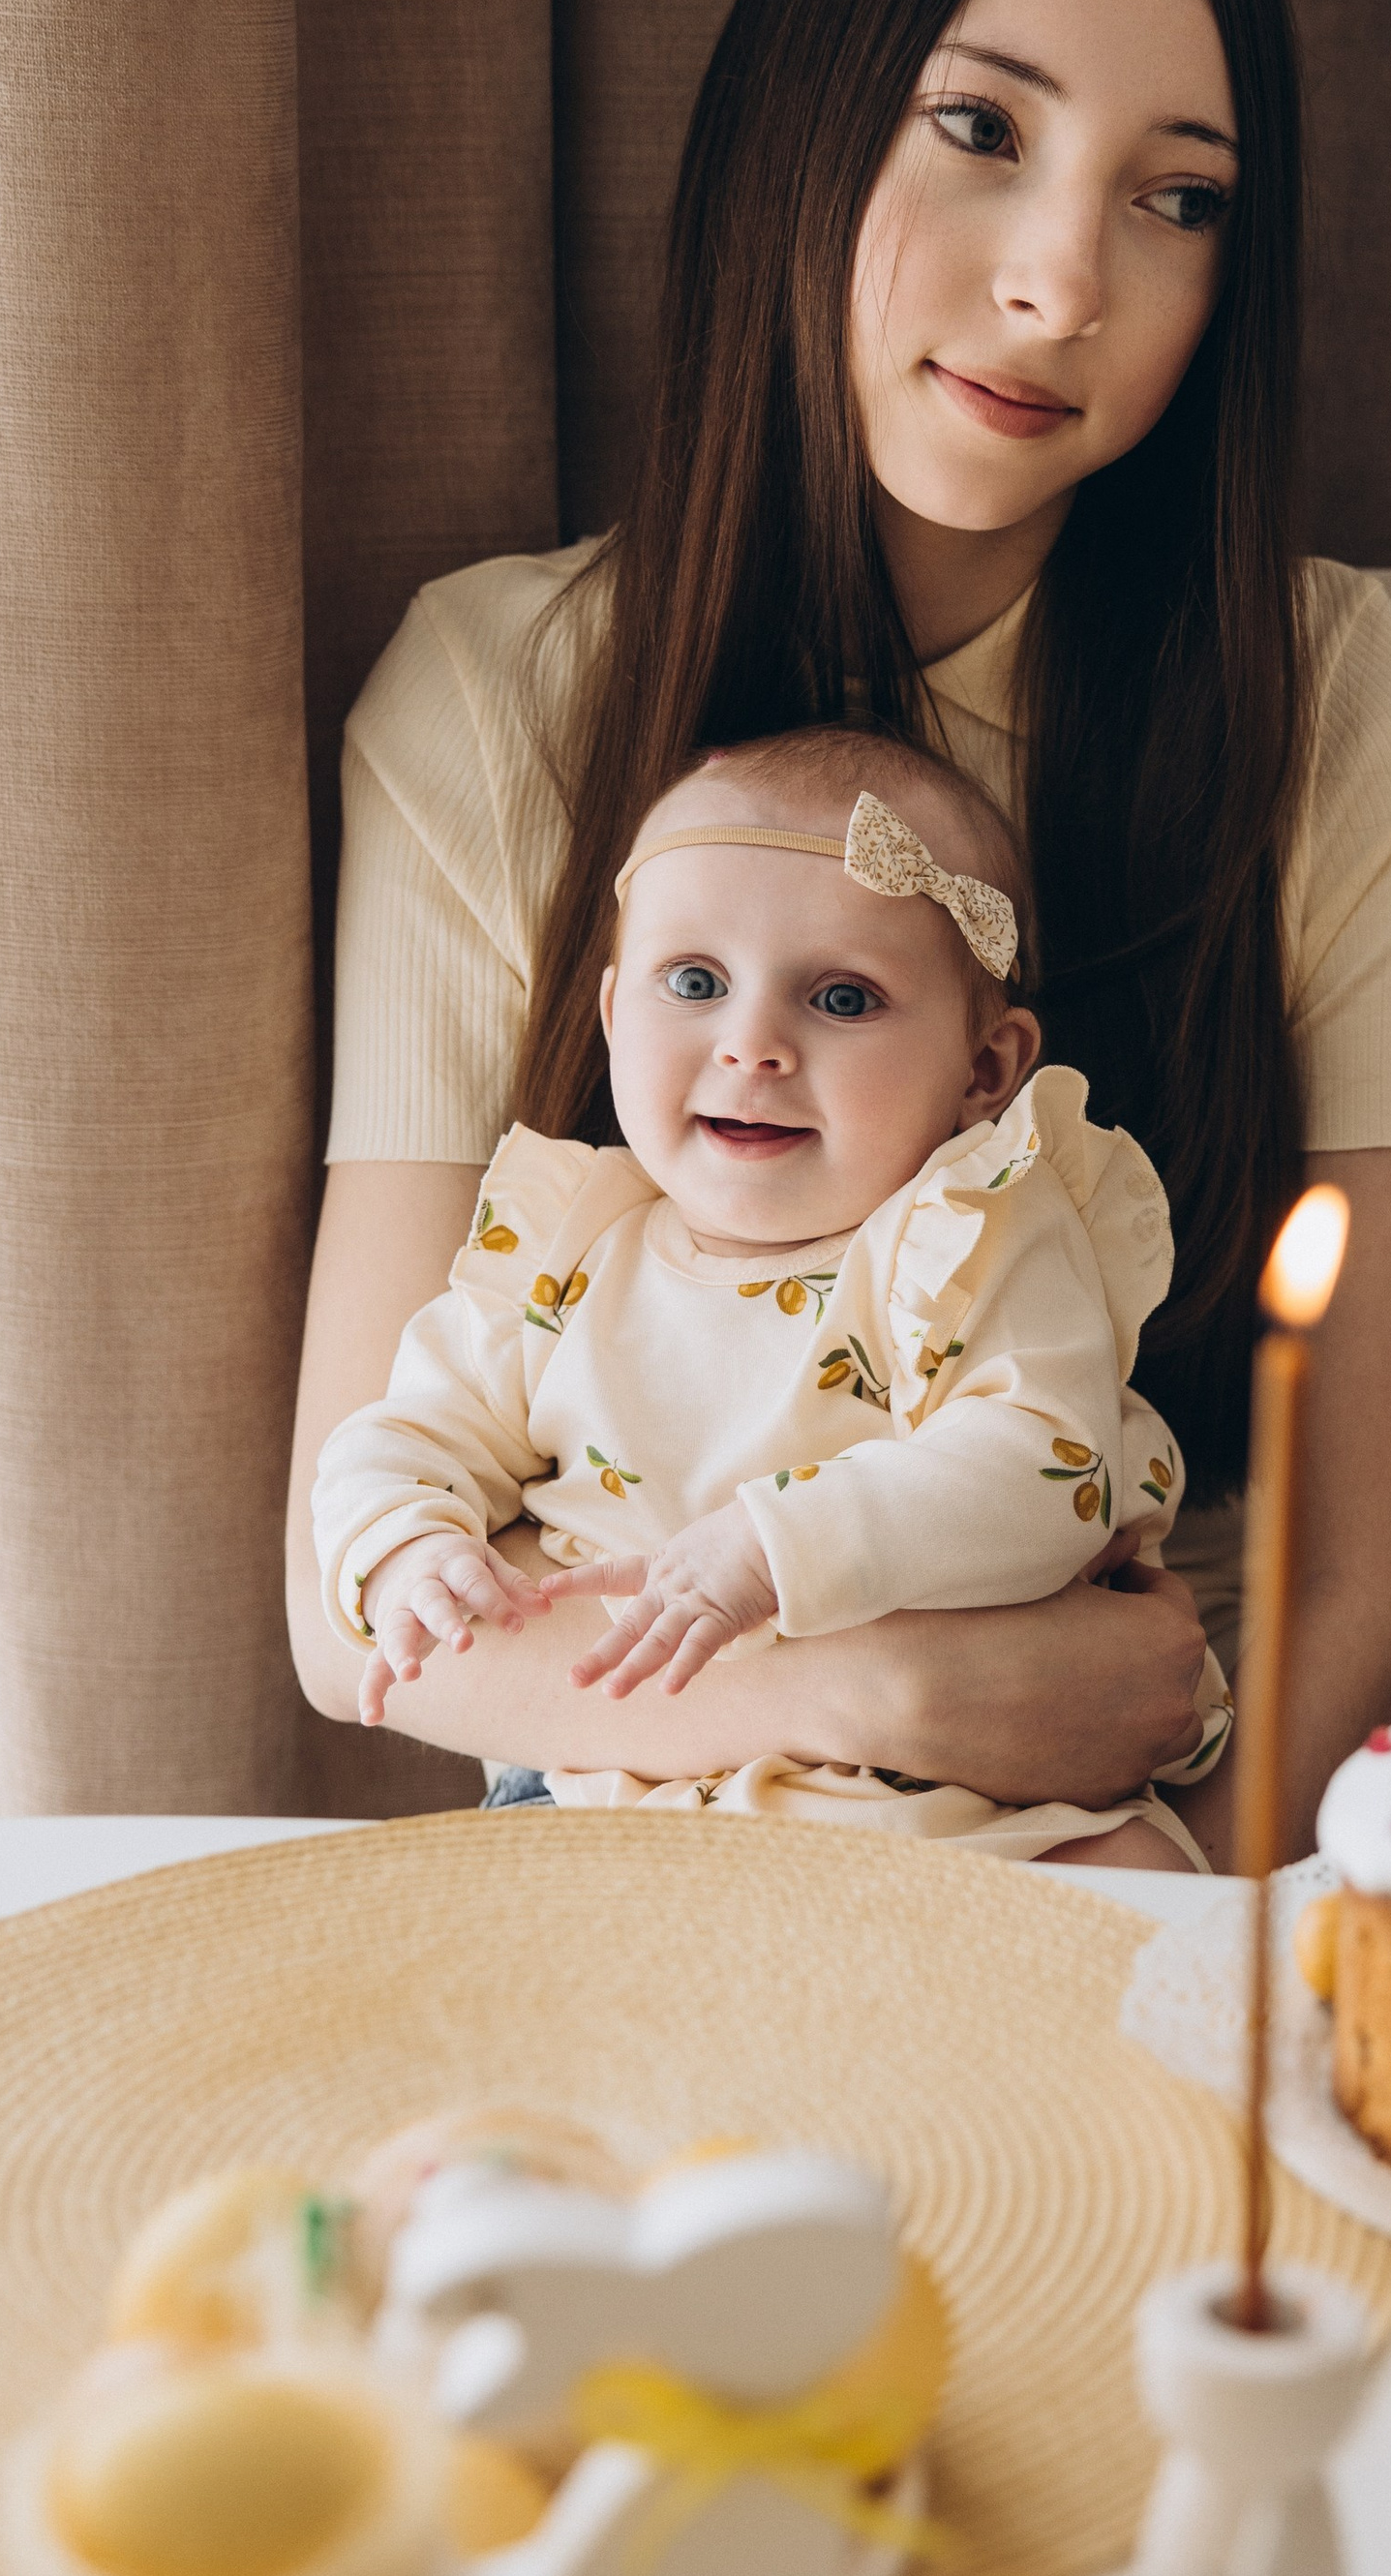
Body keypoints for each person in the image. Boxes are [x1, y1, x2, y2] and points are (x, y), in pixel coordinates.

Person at [287, 0, 1391, 1868]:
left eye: (1180, 195)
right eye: (979, 129)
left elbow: (1377, 1569)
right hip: (625, 1784)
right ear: (802, 127)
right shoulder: (496, 697)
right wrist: (888, 1688)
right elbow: (358, 1623)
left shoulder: (1339, 717)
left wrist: (1160, 1897)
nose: (1061, 280)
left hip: (1161, 1802)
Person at [312, 729, 1225, 1860]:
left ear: (985, 1070)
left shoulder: (965, 1240)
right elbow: (393, 1437)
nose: (752, 1043)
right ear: (611, 1017)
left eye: (842, 999)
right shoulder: (565, 1260)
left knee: (1146, 1895)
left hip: (961, 1807)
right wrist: (409, 1547)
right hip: (616, 1792)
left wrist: (771, 1545)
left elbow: (1045, 1467)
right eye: (694, 983)